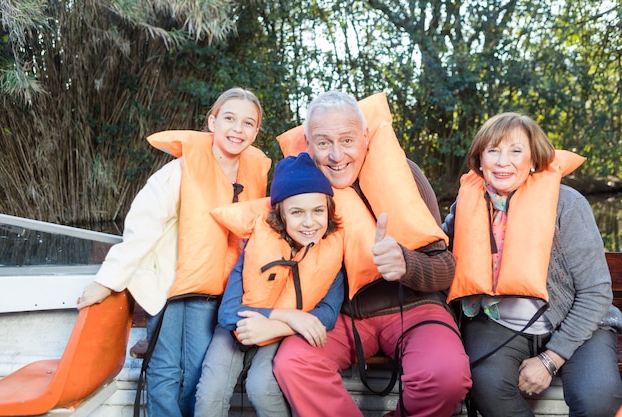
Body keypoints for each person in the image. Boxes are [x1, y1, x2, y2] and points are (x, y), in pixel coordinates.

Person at [272, 91, 472, 417]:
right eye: (323, 143)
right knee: (293, 363)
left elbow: (446, 267)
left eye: (347, 140)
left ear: (365, 137)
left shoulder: (404, 175)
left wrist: (406, 263)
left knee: (446, 376)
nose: (337, 156)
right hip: (340, 317)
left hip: (415, 308)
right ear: (308, 144)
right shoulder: (297, 191)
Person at [76, 87, 272, 417]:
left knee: (197, 373)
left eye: (248, 123)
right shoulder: (179, 171)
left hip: (218, 297)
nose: (237, 129)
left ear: (255, 132)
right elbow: (143, 228)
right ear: (212, 121)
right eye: (229, 118)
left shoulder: (255, 175)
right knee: (166, 370)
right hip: (169, 289)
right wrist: (107, 282)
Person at [442, 112, 622, 416]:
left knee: (598, 398)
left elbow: (596, 292)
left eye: (515, 150)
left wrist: (551, 358)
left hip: (578, 323)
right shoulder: (466, 205)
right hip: (498, 322)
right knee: (485, 386)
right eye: (493, 150)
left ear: (534, 160)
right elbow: (437, 254)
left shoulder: (568, 204)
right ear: (479, 159)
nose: (502, 162)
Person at [193, 152, 345, 417]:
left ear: (329, 211)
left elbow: (328, 314)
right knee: (210, 393)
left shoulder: (332, 255)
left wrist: (275, 327)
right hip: (236, 330)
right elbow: (228, 314)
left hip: (278, 336)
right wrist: (287, 316)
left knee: (263, 387)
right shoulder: (258, 246)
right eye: (297, 212)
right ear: (281, 215)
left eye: (318, 211)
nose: (309, 223)